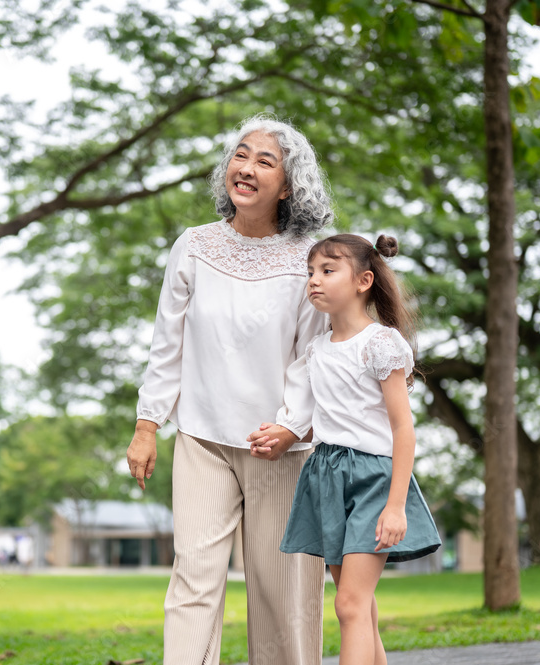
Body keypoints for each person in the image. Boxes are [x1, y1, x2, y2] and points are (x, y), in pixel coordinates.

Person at [127, 114, 333, 665]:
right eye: (241, 155)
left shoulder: (310, 259)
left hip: (280, 446)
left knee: (282, 591)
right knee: (193, 579)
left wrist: (292, 425)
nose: (245, 168)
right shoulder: (193, 246)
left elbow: (314, 354)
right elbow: (166, 343)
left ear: (288, 187)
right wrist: (148, 424)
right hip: (201, 437)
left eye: (265, 161)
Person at [248, 233, 441, 665]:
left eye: (328, 270)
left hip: (373, 479)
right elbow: (315, 418)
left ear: (363, 280)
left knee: (349, 606)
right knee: (360, 607)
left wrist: (396, 507)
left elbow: (402, 429)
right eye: (311, 272)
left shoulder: (380, 344)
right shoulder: (317, 350)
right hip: (326, 475)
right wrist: (282, 434)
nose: (314, 280)